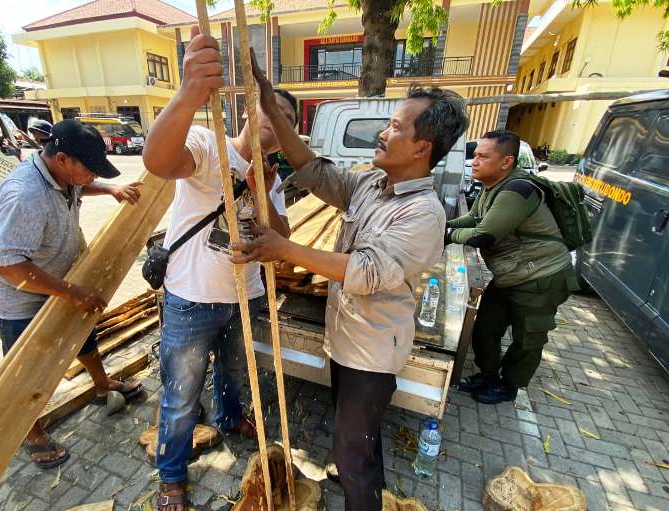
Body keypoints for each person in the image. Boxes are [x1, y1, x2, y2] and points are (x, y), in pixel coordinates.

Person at [232, 55, 469, 511]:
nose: (383, 132)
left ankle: (363, 496)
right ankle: (363, 483)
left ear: (423, 147)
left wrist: (284, 249)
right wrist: (273, 109)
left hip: (372, 352)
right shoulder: (372, 184)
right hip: (349, 340)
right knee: (358, 440)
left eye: (397, 126)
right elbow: (315, 171)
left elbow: (366, 272)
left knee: (350, 452)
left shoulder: (422, 213)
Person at [141, 27, 298, 511]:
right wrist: (189, 90)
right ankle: (171, 477)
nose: (276, 120)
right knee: (182, 395)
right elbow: (158, 160)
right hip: (191, 298)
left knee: (234, 374)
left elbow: (284, 236)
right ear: (249, 109)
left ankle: (231, 419)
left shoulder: (272, 175)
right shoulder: (210, 143)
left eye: (287, 117)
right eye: (271, 109)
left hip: (245, 296)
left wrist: (266, 194)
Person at [0, 120, 145, 469]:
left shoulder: (63, 176)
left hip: (55, 284)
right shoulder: (25, 195)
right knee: (27, 370)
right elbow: (6, 265)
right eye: (87, 169)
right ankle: (30, 432)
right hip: (16, 298)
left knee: (84, 337)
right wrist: (71, 291)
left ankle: (102, 386)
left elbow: (81, 186)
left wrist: (110, 188)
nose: (89, 176)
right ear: (63, 158)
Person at [447, 130, 577, 404]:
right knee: (485, 327)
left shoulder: (518, 190)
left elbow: (484, 234)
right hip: (512, 274)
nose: (474, 162)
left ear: (506, 162)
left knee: (528, 336)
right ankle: (489, 375)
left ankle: (509, 386)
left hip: (542, 276)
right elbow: (472, 218)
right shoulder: (492, 186)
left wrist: (446, 236)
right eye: (475, 156)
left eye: (483, 156)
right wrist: (442, 226)